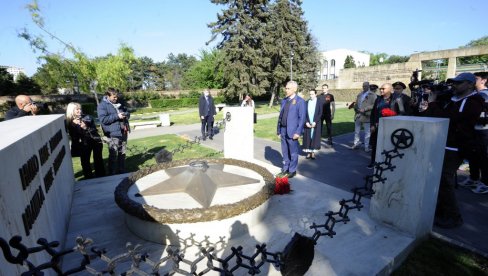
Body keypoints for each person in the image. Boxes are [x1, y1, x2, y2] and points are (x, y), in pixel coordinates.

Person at [424, 72, 484, 228]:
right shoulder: (453, 100)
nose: (454, 86)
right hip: (445, 143)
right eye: (454, 83)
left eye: (459, 83)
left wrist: (434, 103)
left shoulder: (473, 101)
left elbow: (451, 119)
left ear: (470, 84)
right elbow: (435, 117)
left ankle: (454, 217)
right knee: (440, 179)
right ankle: (442, 211)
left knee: (445, 179)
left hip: (456, 146)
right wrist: (432, 104)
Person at [459, 72, 488, 194]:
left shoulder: (485, 95)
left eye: (476, 78)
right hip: (473, 130)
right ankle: (474, 178)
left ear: (484, 80)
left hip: (484, 131)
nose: (472, 80)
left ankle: (485, 183)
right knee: (473, 155)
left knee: (484, 157)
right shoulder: (474, 94)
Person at [66, 102, 105, 179]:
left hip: (95, 141)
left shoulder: (87, 117)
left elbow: (94, 130)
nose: (79, 111)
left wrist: (85, 127)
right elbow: (73, 136)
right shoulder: (68, 122)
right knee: (85, 162)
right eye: (77, 109)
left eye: (80, 109)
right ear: (71, 110)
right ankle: (88, 177)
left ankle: (101, 176)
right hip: (83, 144)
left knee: (98, 160)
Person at [276, 81, 306, 178]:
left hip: (293, 131)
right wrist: (278, 130)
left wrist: (298, 132)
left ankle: (292, 170)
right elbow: (280, 116)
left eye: (288, 88)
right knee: (285, 151)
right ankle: (285, 169)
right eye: (286, 88)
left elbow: (302, 118)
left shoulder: (300, 101)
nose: (286, 90)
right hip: (283, 130)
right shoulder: (284, 100)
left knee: (293, 152)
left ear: (295, 89)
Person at [97, 88, 130, 175]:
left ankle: (122, 171)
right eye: (114, 97)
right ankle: (112, 173)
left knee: (122, 153)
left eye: (117, 97)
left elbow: (127, 112)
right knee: (113, 155)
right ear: (108, 96)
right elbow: (103, 119)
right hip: (112, 134)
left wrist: (126, 114)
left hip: (123, 131)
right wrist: (117, 116)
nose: (116, 99)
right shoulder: (102, 106)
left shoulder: (120, 103)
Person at [368, 83, 400, 168]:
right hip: (377, 127)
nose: (381, 90)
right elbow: (373, 114)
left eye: (383, 89)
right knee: (375, 145)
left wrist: (393, 115)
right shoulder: (378, 100)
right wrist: (372, 125)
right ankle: (373, 161)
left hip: (390, 128)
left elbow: (402, 113)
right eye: (380, 89)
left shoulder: (397, 99)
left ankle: (386, 162)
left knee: (387, 145)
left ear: (390, 89)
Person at [352, 81, 377, 152]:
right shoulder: (360, 94)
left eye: (365, 86)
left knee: (367, 132)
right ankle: (356, 143)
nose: (364, 87)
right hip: (358, 115)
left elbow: (374, 105)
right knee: (357, 131)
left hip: (367, 115)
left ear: (368, 86)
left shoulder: (373, 95)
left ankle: (366, 146)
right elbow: (356, 103)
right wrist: (355, 108)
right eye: (363, 86)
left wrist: (365, 109)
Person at [303, 89, 323, 159]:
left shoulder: (319, 102)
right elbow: (304, 114)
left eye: (312, 94)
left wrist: (315, 121)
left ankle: (313, 153)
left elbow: (320, 113)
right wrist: (306, 122)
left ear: (316, 94)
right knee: (308, 137)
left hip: (315, 123)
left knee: (314, 137)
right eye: (310, 94)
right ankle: (308, 152)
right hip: (308, 123)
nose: (311, 96)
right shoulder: (306, 102)